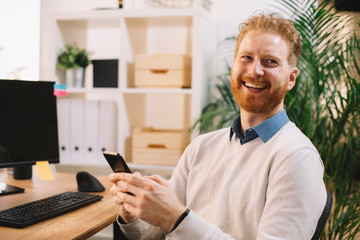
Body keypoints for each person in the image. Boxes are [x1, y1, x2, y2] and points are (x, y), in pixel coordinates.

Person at [109, 12, 327, 239]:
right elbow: (156, 232)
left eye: (270, 62)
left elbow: (174, 220)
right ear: (233, 66)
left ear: (291, 78)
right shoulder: (201, 147)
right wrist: (132, 213)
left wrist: (177, 218)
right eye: (246, 58)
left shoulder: (298, 157)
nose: (255, 71)